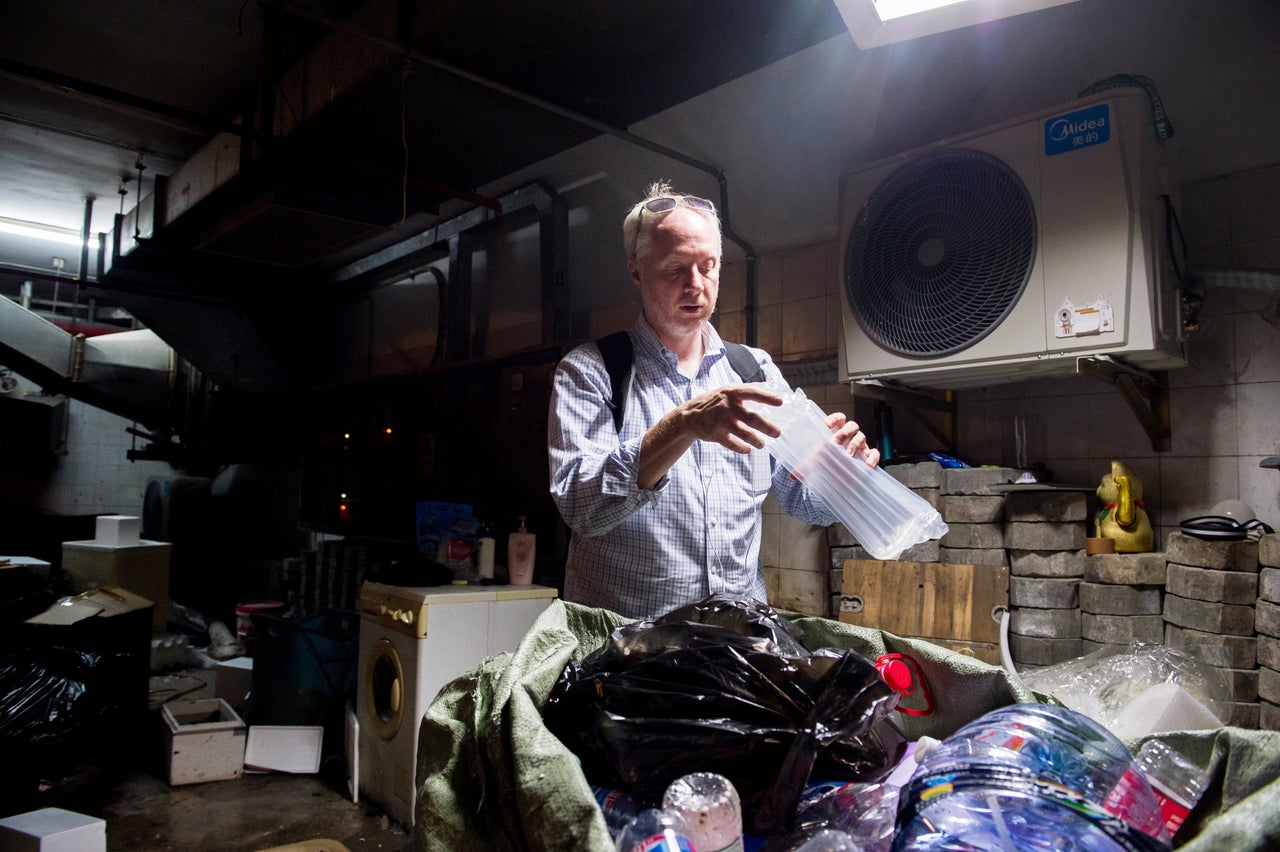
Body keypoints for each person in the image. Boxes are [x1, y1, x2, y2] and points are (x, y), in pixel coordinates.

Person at [547, 181, 879, 619]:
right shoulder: (592, 371)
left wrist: (842, 472)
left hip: (734, 644)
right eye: (675, 269)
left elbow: (804, 500)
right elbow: (580, 506)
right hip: (627, 655)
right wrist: (682, 425)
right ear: (636, 272)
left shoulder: (754, 371)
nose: (695, 285)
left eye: (708, 267)